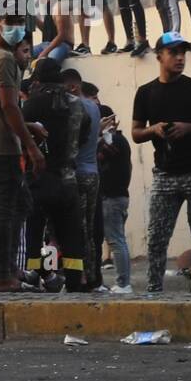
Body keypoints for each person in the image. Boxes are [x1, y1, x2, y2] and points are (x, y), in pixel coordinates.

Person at [130, 32, 191, 294]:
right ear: (159, 56)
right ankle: (154, 292)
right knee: (157, 239)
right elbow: (136, 133)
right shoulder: (146, 93)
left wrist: (188, 128)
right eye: (174, 52)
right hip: (164, 175)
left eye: (183, 53)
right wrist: (154, 130)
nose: (180, 58)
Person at [0, 8, 44, 292]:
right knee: (5, 210)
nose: (15, 26)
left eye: (19, 21)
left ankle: (9, 269)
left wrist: (27, 127)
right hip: (1, 146)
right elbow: (9, 106)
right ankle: (3, 275)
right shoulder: (3, 59)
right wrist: (30, 146)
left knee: (20, 204)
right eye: (9, 21)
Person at [22, 58, 88, 291]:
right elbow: (84, 135)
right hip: (68, 179)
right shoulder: (78, 105)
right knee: (70, 235)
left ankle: (40, 274)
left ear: (37, 80)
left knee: (35, 234)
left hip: (39, 179)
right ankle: (73, 282)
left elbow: (20, 135)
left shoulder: (31, 105)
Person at [60, 67, 103, 291]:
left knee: (79, 228)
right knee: (89, 228)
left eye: (64, 88)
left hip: (76, 174)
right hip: (93, 172)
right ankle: (93, 274)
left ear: (74, 87)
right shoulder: (95, 108)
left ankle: (82, 276)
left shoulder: (73, 108)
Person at [96, 102, 133, 293]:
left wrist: (97, 135)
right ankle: (121, 282)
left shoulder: (112, 141)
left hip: (111, 198)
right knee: (116, 239)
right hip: (117, 197)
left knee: (115, 241)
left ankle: (123, 283)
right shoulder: (120, 140)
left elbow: (98, 156)